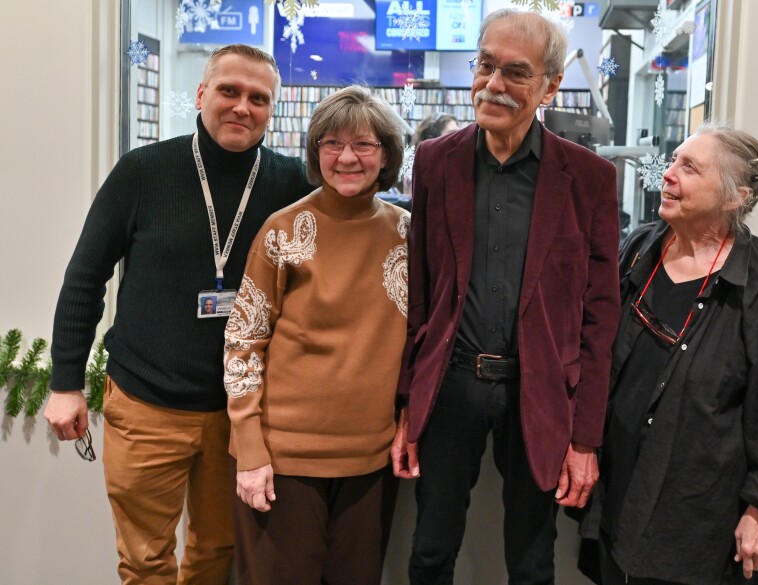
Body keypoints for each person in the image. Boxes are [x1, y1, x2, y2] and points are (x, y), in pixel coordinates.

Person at [44, 44, 312, 584]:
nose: (242, 106)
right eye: (229, 91)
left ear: (272, 110)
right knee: (145, 559)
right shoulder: (142, 172)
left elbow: (358, 224)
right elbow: (84, 277)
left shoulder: (291, 184)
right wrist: (66, 382)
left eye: (258, 98)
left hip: (239, 416)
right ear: (201, 95)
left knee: (217, 551)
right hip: (147, 405)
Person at [392, 8, 620, 584]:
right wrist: (406, 405)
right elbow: (419, 294)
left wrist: (585, 438)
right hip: (449, 388)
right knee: (429, 551)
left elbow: (599, 319)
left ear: (550, 85)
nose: (492, 85)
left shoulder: (588, 178)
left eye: (514, 72)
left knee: (532, 560)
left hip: (539, 391)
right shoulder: (436, 161)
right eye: (485, 66)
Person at [587, 124, 758, 585]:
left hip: (702, 519)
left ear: (734, 198)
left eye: (689, 167)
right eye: (673, 162)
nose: (668, 175)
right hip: (622, 494)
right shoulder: (639, 250)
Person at [224, 85, 407, 585]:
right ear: (315, 152)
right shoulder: (283, 231)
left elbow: (421, 344)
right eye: (331, 143)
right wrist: (251, 450)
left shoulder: (410, 235)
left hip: (370, 459)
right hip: (282, 461)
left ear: (386, 154)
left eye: (364, 144)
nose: (347, 157)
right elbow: (243, 343)